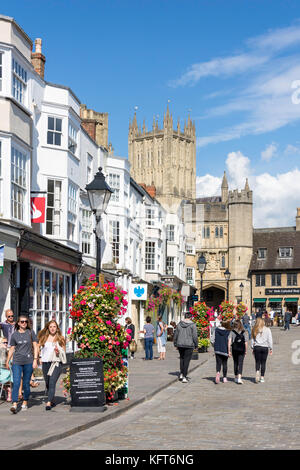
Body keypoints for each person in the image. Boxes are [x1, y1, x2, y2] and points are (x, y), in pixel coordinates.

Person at [6, 315, 39, 414]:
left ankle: (25, 401)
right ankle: (15, 404)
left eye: (25, 321)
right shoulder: (14, 335)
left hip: (28, 361)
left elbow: (36, 346)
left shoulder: (30, 333)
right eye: (22, 321)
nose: (24, 323)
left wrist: (35, 360)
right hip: (17, 362)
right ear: (18, 323)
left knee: (25, 383)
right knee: (16, 382)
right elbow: (12, 348)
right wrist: (7, 361)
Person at [38, 320, 66, 410]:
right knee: (47, 383)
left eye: (54, 326)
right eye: (50, 327)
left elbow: (64, 352)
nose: (52, 328)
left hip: (56, 363)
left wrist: (59, 352)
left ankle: (48, 403)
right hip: (46, 362)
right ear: (48, 328)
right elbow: (39, 348)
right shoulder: (44, 338)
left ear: (57, 328)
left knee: (52, 382)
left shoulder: (61, 338)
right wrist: (39, 358)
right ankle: (52, 398)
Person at [173, 311, 198, 383]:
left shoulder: (179, 324)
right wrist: (196, 344)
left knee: (182, 358)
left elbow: (176, 334)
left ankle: (181, 373)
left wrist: (175, 343)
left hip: (180, 344)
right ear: (190, 317)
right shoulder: (193, 325)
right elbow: (195, 336)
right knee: (187, 360)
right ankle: (184, 376)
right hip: (189, 345)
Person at [251, 317, 273, 383]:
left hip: (257, 347)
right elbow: (270, 339)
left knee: (257, 361)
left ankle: (257, 371)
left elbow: (252, 340)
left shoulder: (254, 329)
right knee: (263, 362)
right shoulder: (267, 329)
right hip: (265, 347)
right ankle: (262, 377)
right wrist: (271, 348)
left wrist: (252, 347)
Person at [211, 319, 231, 384]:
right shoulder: (228, 332)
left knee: (218, 363)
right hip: (225, 349)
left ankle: (218, 373)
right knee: (225, 364)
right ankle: (224, 378)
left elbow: (212, 340)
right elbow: (229, 342)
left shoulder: (216, 330)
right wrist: (229, 350)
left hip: (217, 349)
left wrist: (214, 346)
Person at [229, 319, 247, 384]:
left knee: (235, 363)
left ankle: (236, 377)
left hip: (234, 349)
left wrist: (229, 350)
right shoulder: (243, 332)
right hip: (242, 349)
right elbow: (246, 342)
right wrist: (246, 350)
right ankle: (239, 377)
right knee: (240, 363)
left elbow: (229, 342)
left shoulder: (232, 332)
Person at [0, 337, 13, 401]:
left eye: (6, 342)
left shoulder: (9, 352)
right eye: (4, 342)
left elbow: (11, 363)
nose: (5, 344)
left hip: (6, 374)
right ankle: (8, 392)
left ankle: (8, 391)